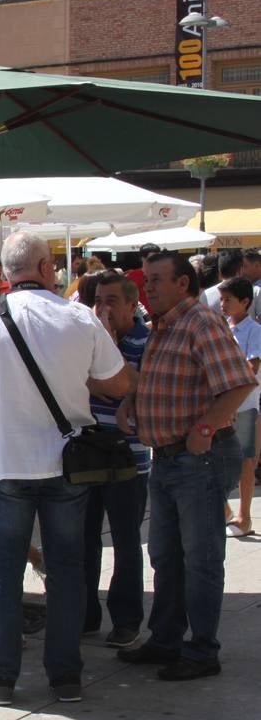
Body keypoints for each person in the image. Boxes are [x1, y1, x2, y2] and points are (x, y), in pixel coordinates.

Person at [0, 232, 129, 706]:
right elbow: (119, 383)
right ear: (48, 268)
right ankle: (65, 675)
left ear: (7, 274)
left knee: (4, 572)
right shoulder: (78, 317)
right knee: (67, 570)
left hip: (7, 464)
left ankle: (1, 677)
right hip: (67, 464)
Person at [117, 253, 253, 681]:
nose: (148, 287)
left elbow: (239, 384)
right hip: (169, 458)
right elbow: (162, 381)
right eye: (147, 280)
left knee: (201, 559)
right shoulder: (163, 326)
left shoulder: (200, 322)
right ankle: (166, 639)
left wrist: (206, 428)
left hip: (199, 459)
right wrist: (132, 401)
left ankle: (201, 648)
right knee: (165, 555)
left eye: (157, 280)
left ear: (183, 284)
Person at [81, 272, 151, 650]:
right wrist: (115, 384)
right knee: (83, 538)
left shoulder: (147, 339)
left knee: (126, 541)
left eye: (111, 300)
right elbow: (84, 381)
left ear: (130, 303)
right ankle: (86, 614)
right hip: (88, 450)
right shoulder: (87, 337)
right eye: (99, 299)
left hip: (129, 455)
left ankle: (126, 620)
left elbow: (137, 383)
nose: (103, 307)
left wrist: (110, 364)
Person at [219, 276, 261, 537]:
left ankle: (244, 515)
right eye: (221, 299)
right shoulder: (222, 327)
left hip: (244, 405)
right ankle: (225, 511)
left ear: (245, 302)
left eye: (228, 300)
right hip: (222, 404)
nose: (222, 304)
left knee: (246, 460)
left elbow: (251, 367)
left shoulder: (254, 331)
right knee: (216, 459)